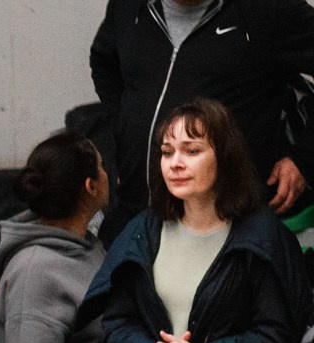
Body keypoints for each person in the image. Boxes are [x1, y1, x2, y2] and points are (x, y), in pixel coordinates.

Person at [85, 98, 311, 343]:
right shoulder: (142, 230)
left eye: (192, 151)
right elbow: (118, 321)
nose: (175, 164)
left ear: (225, 158)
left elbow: (278, 335)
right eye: (167, 153)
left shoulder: (262, 235)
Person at [90, 0, 314, 235]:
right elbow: (104, 62)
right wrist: (125, 135)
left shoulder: (269, 9)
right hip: (136, 215)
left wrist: (304, 159)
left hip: (228, 225)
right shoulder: (127, 6)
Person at [0, 133, 122, 343]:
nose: (109, 175)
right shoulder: (34, 271)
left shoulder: (89, 249)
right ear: (90, 186)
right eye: (102, 167)